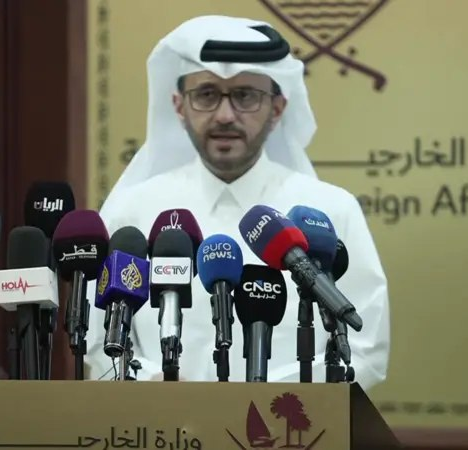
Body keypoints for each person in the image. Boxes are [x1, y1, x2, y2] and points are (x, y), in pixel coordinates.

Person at [84, 15, 390, 389]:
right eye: (206, 94)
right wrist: (162, 390)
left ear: (277, 108)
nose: (225, 115)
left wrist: (260, 405)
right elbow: (98, 343)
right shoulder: (132, 213)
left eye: (245, 96)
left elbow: (365, 348)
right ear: (179, 106)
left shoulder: (332, 212)